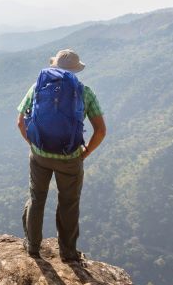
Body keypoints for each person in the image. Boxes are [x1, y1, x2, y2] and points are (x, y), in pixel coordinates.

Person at [16, 49, 106, 262]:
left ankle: (32, 247)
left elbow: (20, 122)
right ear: (76, 70)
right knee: (69, 202)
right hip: (70, 158)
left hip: (40, 155)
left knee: (37, 198)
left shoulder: (38, 86)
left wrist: (33, 144)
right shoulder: (85, 92)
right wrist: (85, 152)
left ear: (54, 66)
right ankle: (67, 252)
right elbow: (100, 130)